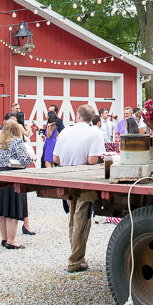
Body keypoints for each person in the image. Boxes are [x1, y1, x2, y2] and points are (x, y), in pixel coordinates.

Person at [53, 104, 106, 273]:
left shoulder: (65, 132)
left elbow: (56, 158)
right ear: (92, 118)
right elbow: (92, 160)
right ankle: (74, 261)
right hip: (84, 177)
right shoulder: (95, 133)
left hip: (66, 176)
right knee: (82, 219)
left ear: (78, 116)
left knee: (73, 218)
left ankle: (78, 257)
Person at [0, 118, 36, 249]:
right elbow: (26, 160)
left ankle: (4, 238)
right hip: (13, 176)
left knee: (0, 209)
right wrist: (32, 158)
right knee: (12, 209)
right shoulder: (17, 142)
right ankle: (11, 240)